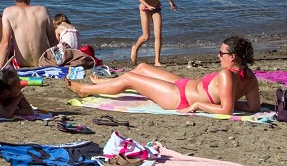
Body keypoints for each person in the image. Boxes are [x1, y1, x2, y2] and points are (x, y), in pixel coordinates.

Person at [69, 35, 261, 116]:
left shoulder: (228, 75)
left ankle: (85, 90)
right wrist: (227, 101)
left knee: (130, 79)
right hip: (184, 85)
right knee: (142, 67)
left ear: (232, 57)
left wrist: (199, 105)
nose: (218, 56)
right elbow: (253, 107)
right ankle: (107, 83)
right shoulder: (250, 77)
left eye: (221, 53)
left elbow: (226, 111)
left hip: (180, 97)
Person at [1, 0, 55, 68]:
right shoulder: (43, 10)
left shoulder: (8, 12)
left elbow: (5, 44)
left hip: (22, 64)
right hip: (43, 62)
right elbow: (53, 41)